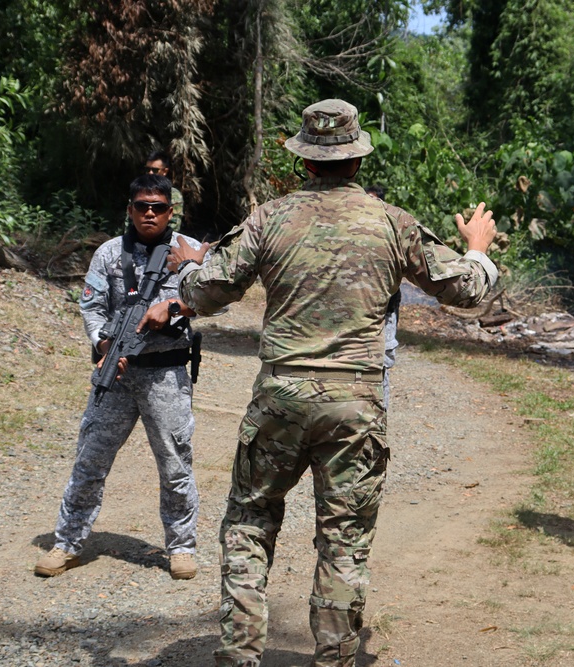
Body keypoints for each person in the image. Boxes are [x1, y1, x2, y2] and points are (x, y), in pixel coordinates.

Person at [163, 99, 500, 667]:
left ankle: (239, 655)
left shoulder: (269, 218)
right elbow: (465, 291)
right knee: (343, 540)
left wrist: (193, 264)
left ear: (305, 161)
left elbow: (202, 295)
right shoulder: (392, 222)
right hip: (354, 403)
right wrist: (479, 251)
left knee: (249, 522)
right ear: (357, 160)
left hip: (282, 397)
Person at [35, 174, 204, 581]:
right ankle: (68, 542)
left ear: (169, 211)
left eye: (158, 207)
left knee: (174, 465)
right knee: (90, 460)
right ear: (129, 209)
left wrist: (174, 309)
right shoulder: (110, 254)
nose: (150, 213)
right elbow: (91, 306)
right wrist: (102, 344)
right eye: (142, 206)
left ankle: (181, 547)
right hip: (118, 375)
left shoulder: (189, 252)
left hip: (165, 374)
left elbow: (212, 298)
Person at [363, 185, 401, 408]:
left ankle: (380, 414)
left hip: (386, 311)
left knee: (382, 366)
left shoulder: (392, 230)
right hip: (361, 311)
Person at [145, 150, 184, 227]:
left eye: (155, 170)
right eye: (147, 169)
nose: (150, 173)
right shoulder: (139, 192)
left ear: (165, 171)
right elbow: (129, 221)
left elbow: (174, 225)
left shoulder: (174, 195)